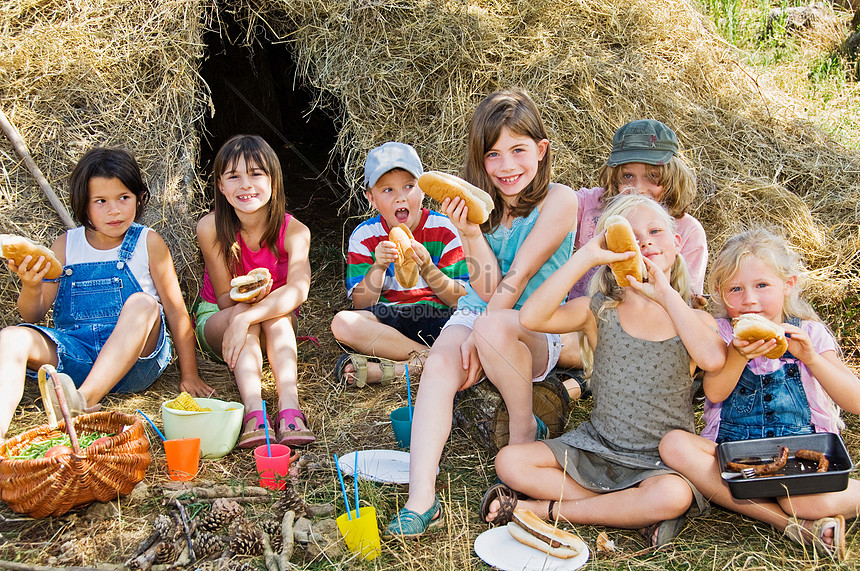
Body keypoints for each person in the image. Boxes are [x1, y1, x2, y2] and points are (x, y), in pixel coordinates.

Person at [480, 194, 726, 549]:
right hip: (597, 448)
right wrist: (586, 257)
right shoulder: (598, 310)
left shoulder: (694, 319)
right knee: (511, 462)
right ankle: (628, 510)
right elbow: (531, 317)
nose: (644, 242)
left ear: (677, 243)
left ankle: (543, 509)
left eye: (655, 231)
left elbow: (713, 359)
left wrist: (665, 294)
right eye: (631, 236)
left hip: (658, 461)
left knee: (673, 495)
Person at [384, 88, 577, 537]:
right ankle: (421, 499)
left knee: (488, 326)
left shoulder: (560, 201)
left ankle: (523, 431)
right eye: (493, 155)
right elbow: (486, 286)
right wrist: (470, 231)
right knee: (438, 365)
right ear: (479, 160)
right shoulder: (480, 210)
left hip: (533, 323)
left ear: (541, 150)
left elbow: (521, 277)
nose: (506, 166)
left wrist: (481, 332)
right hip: (484, 309)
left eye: (518, 150)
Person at [659, 229, 860, 561]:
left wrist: (810, 359)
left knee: (799, 499)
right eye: (736, 289)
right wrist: (738, 355)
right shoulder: (721, 332)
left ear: (789, 285)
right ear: (721, 294)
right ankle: (791, 526)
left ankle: (804, 511)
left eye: (762, 286)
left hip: (801, 454)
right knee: (674, 445)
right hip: (735, 454)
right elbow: (715, 390)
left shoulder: (808, 333)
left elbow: (854, 401)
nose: (749, 299)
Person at [0, 147, 213, 441]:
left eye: (123, 198)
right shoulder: (65, 246)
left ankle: (81, 402)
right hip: (77, 357)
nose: (114, 210)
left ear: (139, 198)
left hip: (136, 364)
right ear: (83, 205)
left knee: (144, 303)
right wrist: (32, 284)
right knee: (12, 335)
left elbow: (176, 311)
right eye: (101, 201)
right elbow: (33, 315)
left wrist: (190, 374)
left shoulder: (148, 242)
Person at [556, 119, 707, 397]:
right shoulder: (587, 206)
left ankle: (578, 385)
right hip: (580, 324)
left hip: (642, 334)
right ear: (613, 176)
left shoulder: (687, 232)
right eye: (627, 176)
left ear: (672, 177)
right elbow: (552, 200)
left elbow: (685, 305)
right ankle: (581, 379)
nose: (639, 188)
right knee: (555, 341)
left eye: (654, 177)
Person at [193, 134, 313, 448]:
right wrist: (242, 317)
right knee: (256, 318)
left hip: (276, 318)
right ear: (220, 185)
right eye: (234, 176)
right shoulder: (210, 228)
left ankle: (290, 406)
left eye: (256, 174)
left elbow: (299, 289)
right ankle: (253, 411)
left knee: (276, 317)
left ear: (273, 180)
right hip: (221, 317)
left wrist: (248, 318)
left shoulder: (296, 231)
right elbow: (222, 298)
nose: (246, 185)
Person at [330, 142, 468, 386]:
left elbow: (459, 299)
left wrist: (428, 268)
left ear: (423, 190)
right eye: (388, 190)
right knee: (343, 323)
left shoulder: (445, 229)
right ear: (371, 198)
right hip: (390, 321)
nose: (400, 197)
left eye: (409, 186)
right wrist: (378, 267)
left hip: (439, 317)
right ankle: (429, 360)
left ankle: (396, 368)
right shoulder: (364, 236)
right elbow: (361, 304)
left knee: (476, 323)